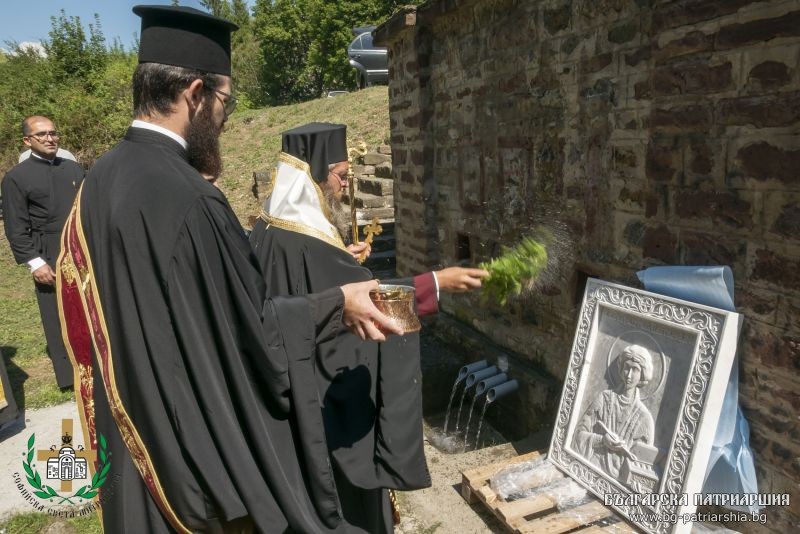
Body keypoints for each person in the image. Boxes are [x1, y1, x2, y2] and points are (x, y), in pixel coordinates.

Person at [55, 6, 400, 533]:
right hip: (192, 467)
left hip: (134, 448)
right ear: (194, 93)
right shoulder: (191, 199)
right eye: (224, 101)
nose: (225, 117)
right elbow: (252, 337)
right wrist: (338, 303)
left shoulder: (99, 179)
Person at [249, 122, 487, 532]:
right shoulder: (312, 245)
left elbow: (312, 284)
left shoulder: (267, 226)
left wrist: (343, 254)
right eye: (341, 176)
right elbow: (366, 302)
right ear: (314, 175)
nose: (344, 186)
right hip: (326, 416)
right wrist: (436, 283)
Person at [2, 115, 83, 388]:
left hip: (80, 245)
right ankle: (69, 375)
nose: (50, 139)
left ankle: (96, 363)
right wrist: (35, 263)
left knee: (88, 307)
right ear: (27, 140)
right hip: (47, 251)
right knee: (56, 313)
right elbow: (15, 227)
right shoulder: (16, 178)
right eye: (42, 135)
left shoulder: (72, 168)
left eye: (53, 133)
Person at [573, 344, 656, 479]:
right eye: (626, 367)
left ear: (642, 374)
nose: (629, 374)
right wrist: (601, 440)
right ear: (621, 368)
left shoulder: (645, 418)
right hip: (589, 469)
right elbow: (578, 435)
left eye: (635, 369)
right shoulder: (604, 398)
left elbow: (644, 466)